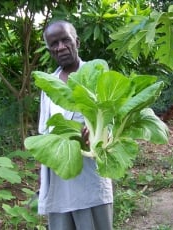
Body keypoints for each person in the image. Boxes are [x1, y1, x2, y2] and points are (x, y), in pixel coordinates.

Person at [37, 20, 113, 230]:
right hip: (60, 177)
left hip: (91, 174)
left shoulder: (96, 73)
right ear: (50, 50)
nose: (60, 47)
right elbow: (44, 132)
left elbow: (112, 119)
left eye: (65, 40)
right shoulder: (48, 84)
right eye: (54, 44)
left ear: (76, 42)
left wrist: (100, 134)